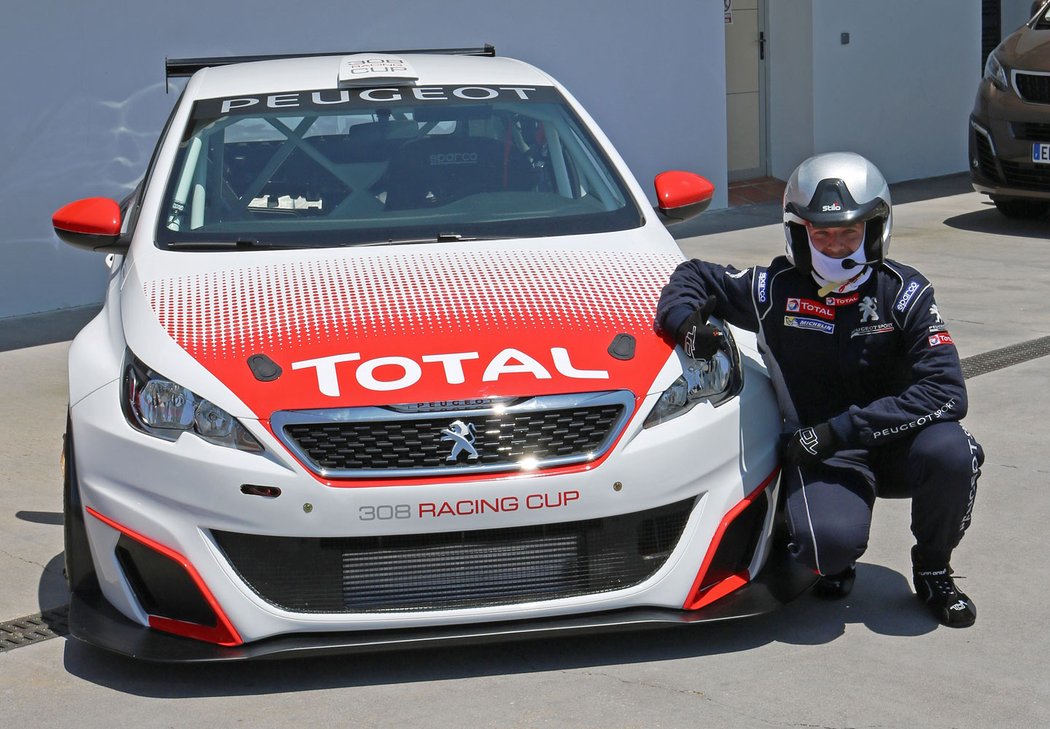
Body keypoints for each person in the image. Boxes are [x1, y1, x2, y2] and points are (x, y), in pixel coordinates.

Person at [656, 152, 983, 628]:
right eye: (821, 234)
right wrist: (687, 324)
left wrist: (840, 429)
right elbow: (692, 276)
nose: (835, 246)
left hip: (892, 443)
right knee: (824, 549)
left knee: (953, 452)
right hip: (825, 454)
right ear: (797, 233)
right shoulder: (773, 290)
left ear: (874, 230)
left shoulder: (907, 293)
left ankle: (934, 569)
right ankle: (836, 552)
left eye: (849, 232)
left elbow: (949, 393)